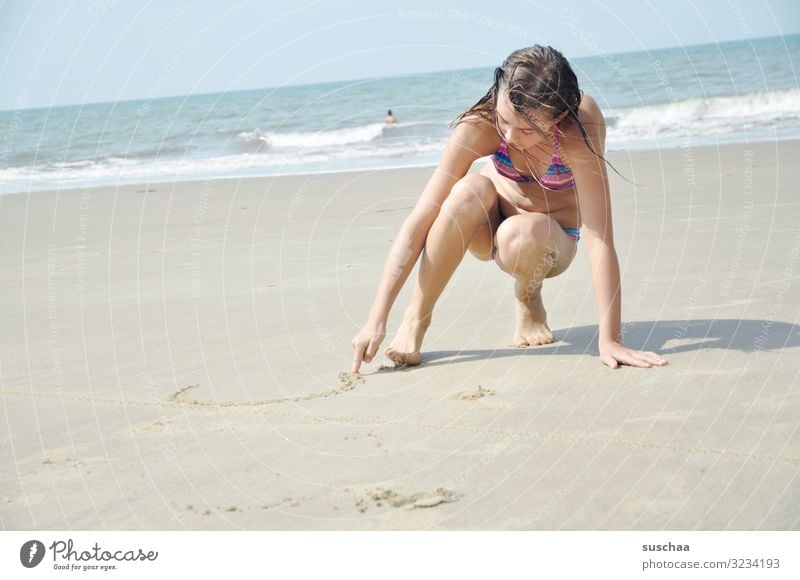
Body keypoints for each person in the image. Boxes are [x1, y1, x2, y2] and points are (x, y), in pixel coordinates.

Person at [351, 46, 668, 372]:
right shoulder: (480, 125)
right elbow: (421, 218)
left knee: (525, 232)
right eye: (504, 120)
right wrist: (376, 319)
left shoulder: (579, 129)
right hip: (486, 228)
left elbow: (599, 237)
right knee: (467, 191)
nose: (511, 136)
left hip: (549, 239)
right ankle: (416, 319)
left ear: (558, 116)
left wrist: (610, 339)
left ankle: (529, 297)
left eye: (528, 130)